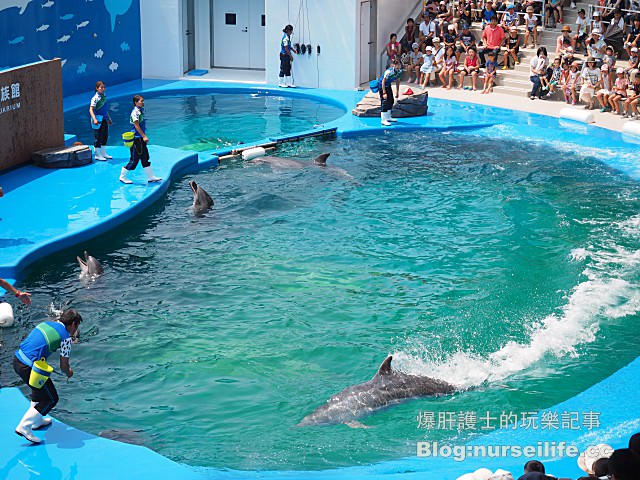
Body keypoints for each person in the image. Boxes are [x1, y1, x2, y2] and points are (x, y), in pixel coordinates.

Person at [13, 308, 83, 443]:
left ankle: (36, 421)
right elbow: (64, 367)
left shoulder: (45, 324)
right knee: (51, 399)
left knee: (38, 389)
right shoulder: (66, 339)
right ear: (74, 324)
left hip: (17, 360)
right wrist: (70, 373)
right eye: (77, 326)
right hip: (28, 367)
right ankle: (24, 426)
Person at [118, 95, 162, 184]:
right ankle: (122, 176)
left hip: (140, 139)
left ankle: (150, 177)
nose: (143, 102)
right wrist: (144, 136)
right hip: (136, 139)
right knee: (134, 160)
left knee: (145, 157)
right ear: (136, 102)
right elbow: (136, 125)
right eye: (141, 101)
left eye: (143, 101)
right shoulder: (135, 112)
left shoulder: (140, 111)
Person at [89, 81, 113, 161]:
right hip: (98, 120)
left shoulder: (104, 97)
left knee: (104, 136)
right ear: (97, 88)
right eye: (101, 87)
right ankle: (97, 154)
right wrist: (94, 119)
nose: (103, 89)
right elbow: (91, 110)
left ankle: (103, 153)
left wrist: (109, 118)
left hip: (104, 119)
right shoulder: (95, 98)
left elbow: (105, 109)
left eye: (104, 87)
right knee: (98, 137)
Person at [378, 58, 402, 126]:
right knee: (385, 101)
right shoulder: (389, 72)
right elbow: (383, 82)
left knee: (391, 100)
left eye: (399, 64)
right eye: (396, 64)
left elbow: (397, 81)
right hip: (381, 85)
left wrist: (397, 92)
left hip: (388, 85)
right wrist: (384, 93)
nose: (398, 66)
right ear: (393, 65)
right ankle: (383, 120)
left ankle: (388, 117)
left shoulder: (399, 71)